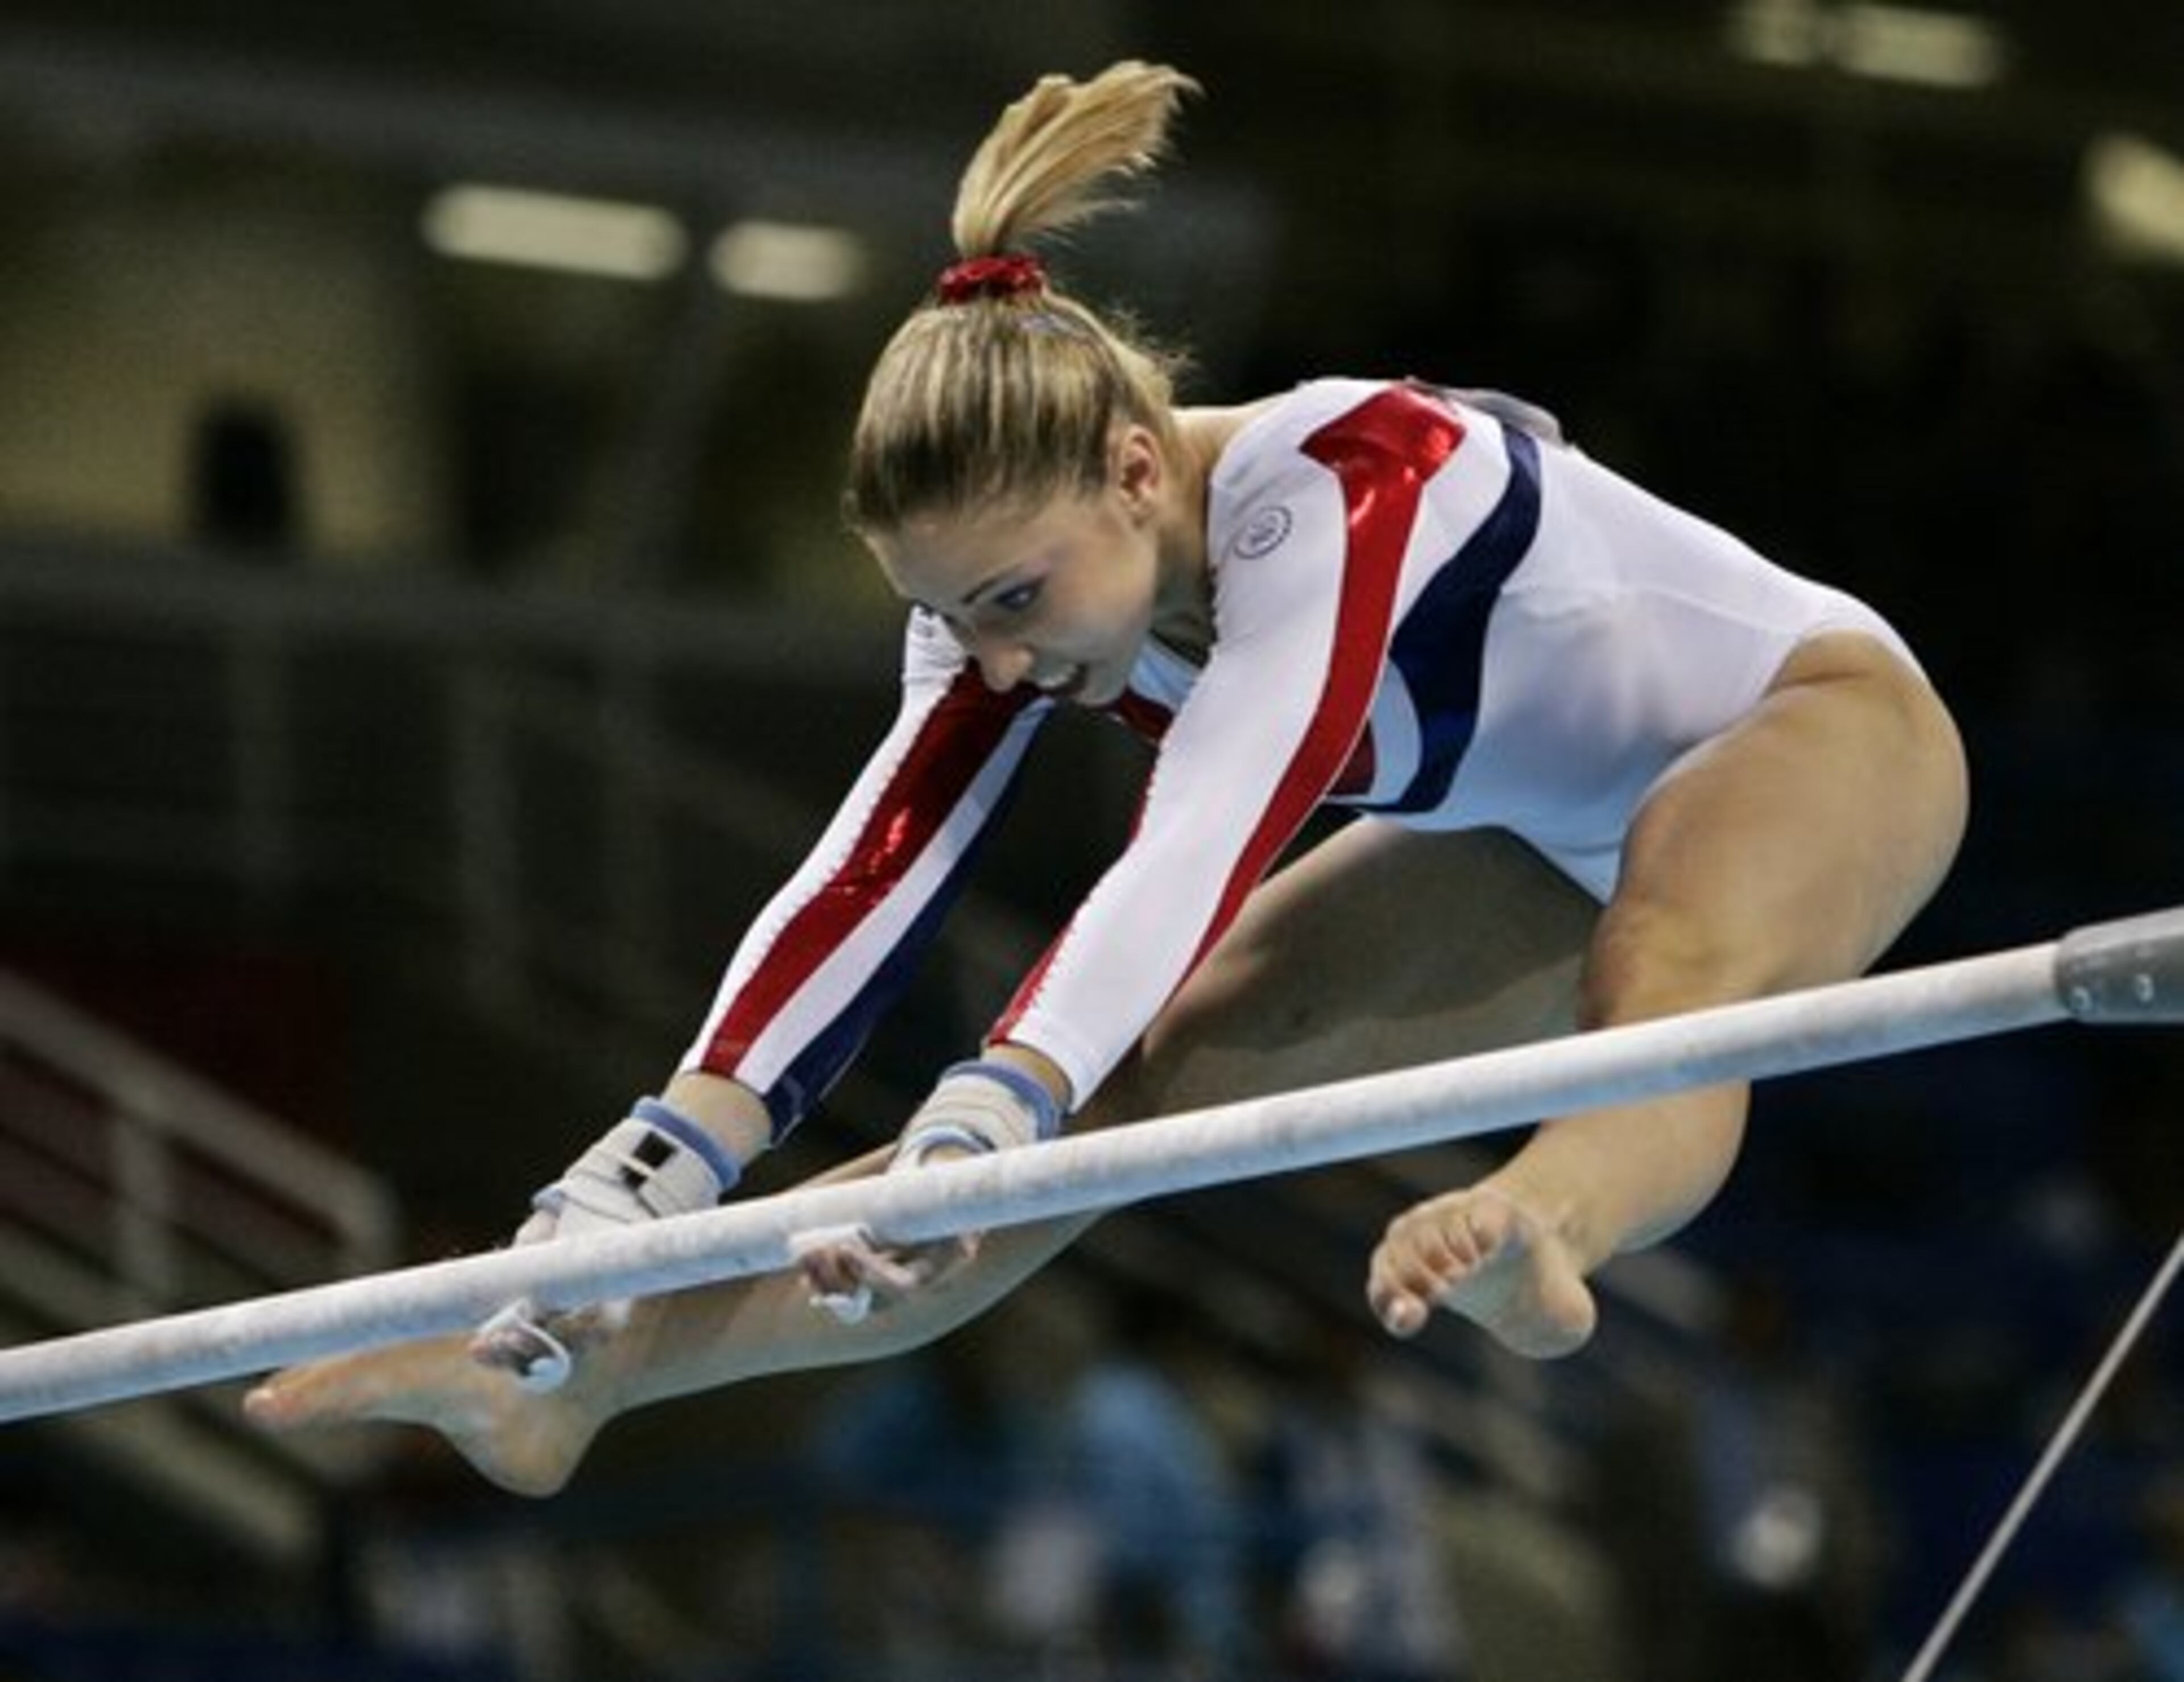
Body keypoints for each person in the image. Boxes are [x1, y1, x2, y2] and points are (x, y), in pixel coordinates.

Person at [246, 61, 1967, 1494]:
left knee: (1662, 969)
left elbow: (1213, 824)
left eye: (1011, 604)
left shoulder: (1350, 479)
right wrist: (657, 1163)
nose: (993, 661)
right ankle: (578, 1380)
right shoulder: (1005, 599)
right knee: (1112, 1107)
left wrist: (990, 1105)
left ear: (1139, 471)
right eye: (948, 618)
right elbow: (868, 878)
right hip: (1528, 831)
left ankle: (1545, 1226)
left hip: (1812, 731)